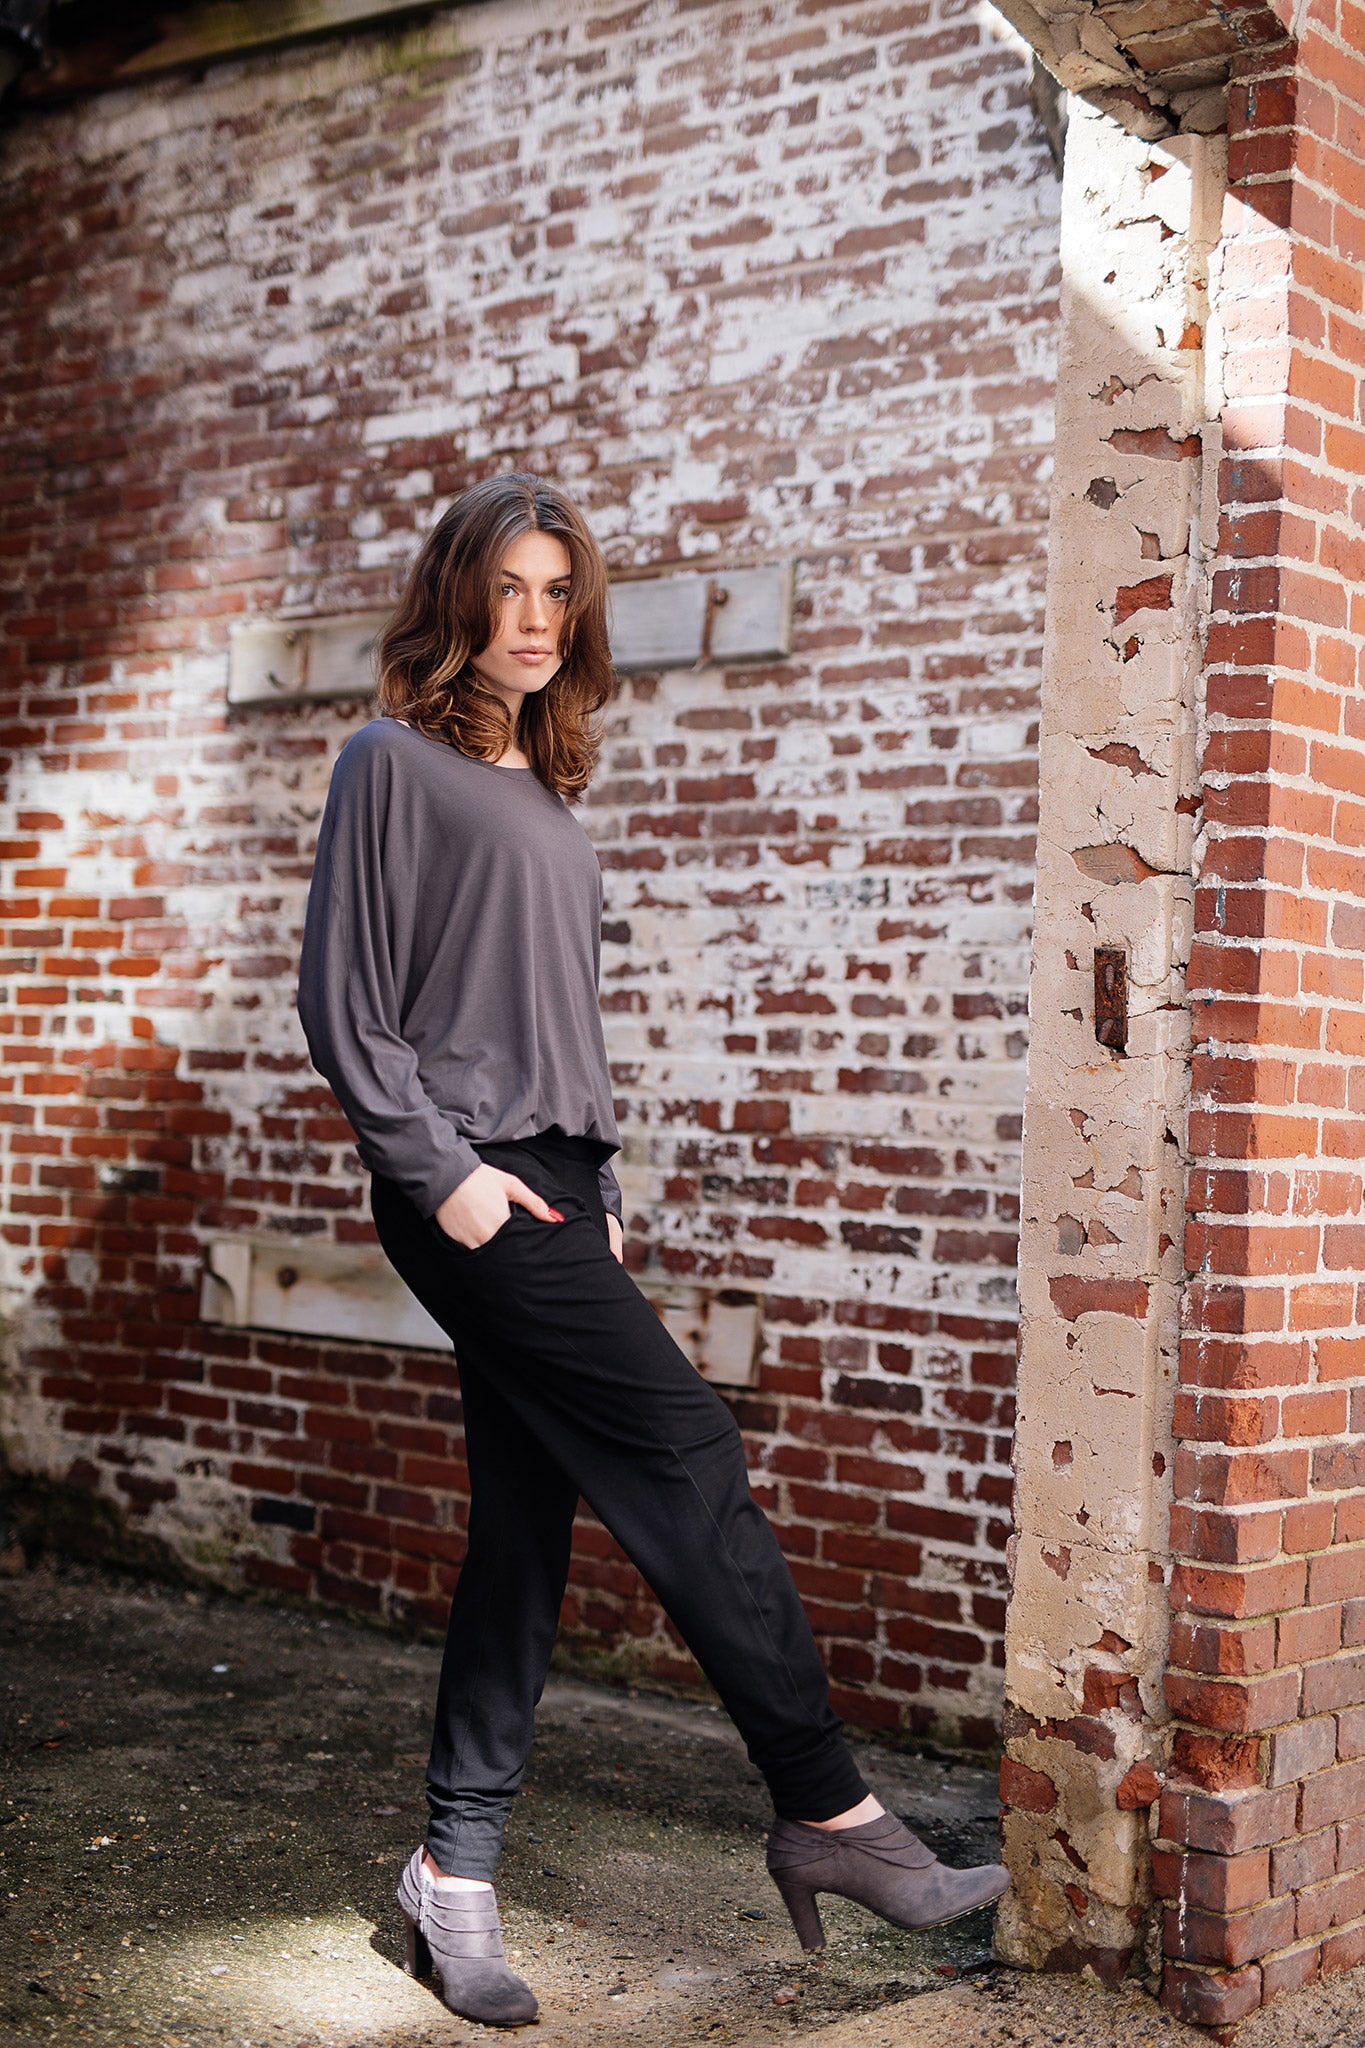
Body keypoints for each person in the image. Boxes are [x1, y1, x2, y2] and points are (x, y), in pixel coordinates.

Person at [296, 472, 1009, 2027]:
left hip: (551, 1176)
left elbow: (552, 1016)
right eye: (511, 588)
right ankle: (830, 1816)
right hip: (467, 1186)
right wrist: (447, 1179)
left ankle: (450, 1872)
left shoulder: (547, 795)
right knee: (684, 1445)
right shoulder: (389, 763)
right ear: (457, 597)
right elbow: (344, 1005)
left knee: (524, 1531)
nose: (537, 620)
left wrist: (590, 1173)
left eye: (562, 593)